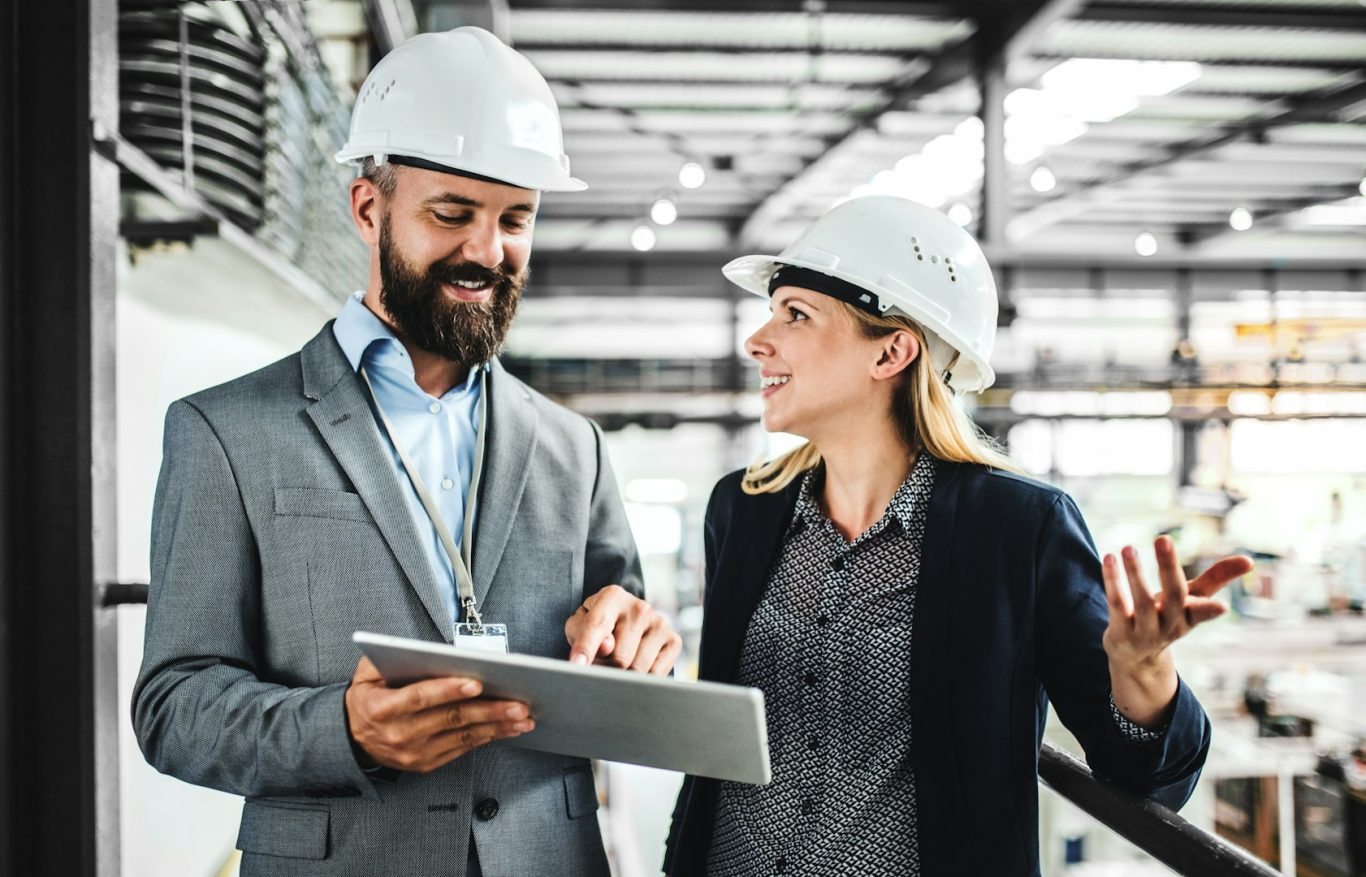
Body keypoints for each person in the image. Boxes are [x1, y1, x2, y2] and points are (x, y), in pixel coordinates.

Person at [133, 27, 679, 877]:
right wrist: (341, 730)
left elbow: (621, 641)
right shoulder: (227, 432)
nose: (486, 253)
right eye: (451, 214)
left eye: (516, 219)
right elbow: (174, 707)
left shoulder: (576, 450)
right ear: (367, 208)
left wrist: (636, 642)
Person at [664, 195, 1252, 876]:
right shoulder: (742, 510)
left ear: (893, 350)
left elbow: (1152, 779)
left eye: (795, 313)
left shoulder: (1017, 529)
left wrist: (1141, 668)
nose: (757, 339)